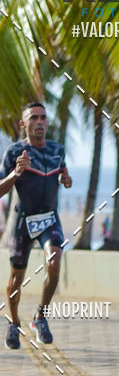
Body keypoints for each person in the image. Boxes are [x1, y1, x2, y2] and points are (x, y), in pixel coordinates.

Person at [0, 102, 72, 348]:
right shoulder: (14, 153)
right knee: (15, 280)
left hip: (50, 219)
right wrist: (15, 173)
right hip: (22, 222)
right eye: (34, 118)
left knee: (54, 263)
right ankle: (14, 322)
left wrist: (66, 178)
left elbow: (62, 171)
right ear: (24, 124)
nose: (39, 122)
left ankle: (40, 317)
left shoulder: (57, 150)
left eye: (43, 118)